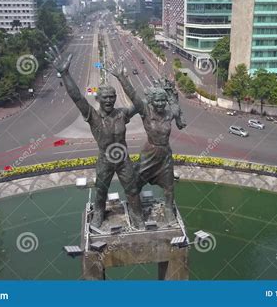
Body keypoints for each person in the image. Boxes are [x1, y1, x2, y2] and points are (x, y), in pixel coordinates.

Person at [45, 47, 144, 229]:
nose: (109, 100)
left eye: (112, 97)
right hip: (105, 160)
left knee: (132, 190)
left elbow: (139, 104)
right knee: (101, 190)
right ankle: (99, 214)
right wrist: (65, 73)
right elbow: (77, 97)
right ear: (98, 99)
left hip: (123, 160)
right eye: (105, 97)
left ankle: (137, 216)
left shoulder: (122, 114)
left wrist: (122, 79)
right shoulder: (93, 116)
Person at [107, 66, 187, 224]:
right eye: (157, 100)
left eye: (163, 100)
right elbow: (133, 95)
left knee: (169, 186)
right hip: (150, 152)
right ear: (151, 101)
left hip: (165, 154)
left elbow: (176, 107)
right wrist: (121, 77)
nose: (160, 104)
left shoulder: (169, 113)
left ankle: (169, 209)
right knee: (135, 183)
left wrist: (172, 94)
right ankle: (135, 210)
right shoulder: (145, 111)